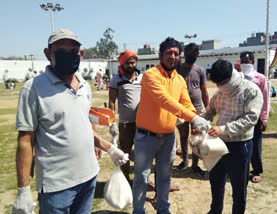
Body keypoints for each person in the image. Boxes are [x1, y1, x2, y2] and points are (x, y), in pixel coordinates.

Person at [12, 29, 128, 214]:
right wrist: (23, 190)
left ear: (80, 54)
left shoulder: (84, 85)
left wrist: (109, 148)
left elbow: (83, 125)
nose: (69, 55)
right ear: (48, 54)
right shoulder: (32, 89)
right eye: (61, 51)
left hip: (89, 177)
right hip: (57, 187)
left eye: (73, 51)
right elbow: (25, 141)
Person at [132, 37, 211, 214]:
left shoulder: (179, 79)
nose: (173, 56)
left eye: (176, 53)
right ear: (160, 55)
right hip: (146, 137)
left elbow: (186, 102)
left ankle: (163, 208)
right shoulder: (151, 75)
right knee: (141, 178)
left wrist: (195, 117)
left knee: (165, 177)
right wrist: (193, 117)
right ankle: (138, 210)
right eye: (169, 52)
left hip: (168, 137)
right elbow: (164, 100)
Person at [203, 59, 263, 214]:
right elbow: (210, 112)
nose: (219, 87)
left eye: (222, 83)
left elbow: (250, 119)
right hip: (218, 145)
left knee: (239, 187)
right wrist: (199, 122)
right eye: (217, 84)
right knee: (215, 182)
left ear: (231, 76)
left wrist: (224, 129)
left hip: (240, 146)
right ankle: (215, 210)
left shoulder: (250, 91)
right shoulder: (219, 93)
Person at [176, 43, 209, 177]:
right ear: (185, 54)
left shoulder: (200, 70)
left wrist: (207, 109)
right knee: (184, 136)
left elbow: (204, 91)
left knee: (197, 137)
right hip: (182, 109)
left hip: (197, 109)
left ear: (197, 55)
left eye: (194, 54)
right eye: (190, 54)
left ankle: (195, 165)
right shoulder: (178, 70)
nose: (192, 56)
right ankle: (184, 160)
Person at [108, 50, 142, 181]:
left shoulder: (142, 78)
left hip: (141, 124)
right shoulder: (116, 80)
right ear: (122, 64)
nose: (130, 65)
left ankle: (141, 179)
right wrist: (112, 122)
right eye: (127, 63)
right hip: (125, 124)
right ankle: (125, 180)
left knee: (141, 154)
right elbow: (111, 101)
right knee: (125, 154)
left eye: (132, 62)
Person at [239, 51, 269, 183]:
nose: (245, 64)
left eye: (247, 61)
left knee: (255, 144)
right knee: (239, 143)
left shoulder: (260, 78)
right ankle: (239, 169)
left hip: (255, 116)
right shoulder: (237, 77)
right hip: (239, 115)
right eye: (242, 61)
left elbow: (265, 99)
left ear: (252, 61)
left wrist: (264, 117)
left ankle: (256, 170)